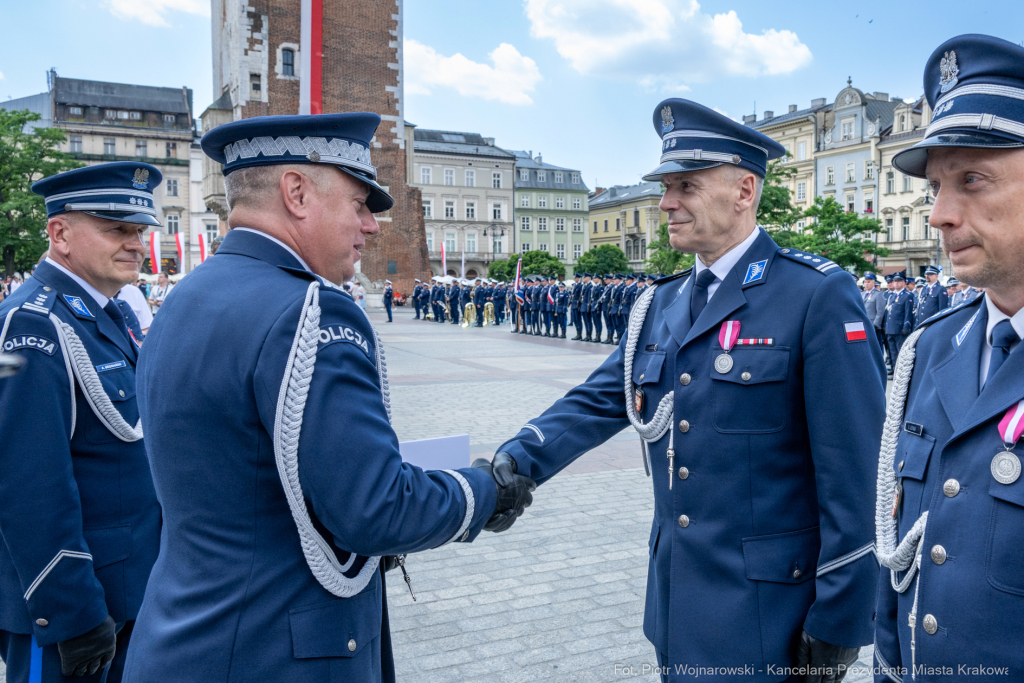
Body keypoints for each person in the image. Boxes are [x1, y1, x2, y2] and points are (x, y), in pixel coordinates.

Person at [478, 99, 884, 682]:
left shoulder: (815, 296)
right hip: (676, 602)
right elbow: (599, 399)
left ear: (745, 191)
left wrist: (842, 620)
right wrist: (519, 458)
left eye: (686, 186)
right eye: (666, 186)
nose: (666, 202)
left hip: (773, 615)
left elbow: (854, 473)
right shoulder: (661, 303)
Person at [127, 113, 535, 683]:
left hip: (184, 638)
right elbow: (375, 508)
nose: (370, 225)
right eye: (359, 203)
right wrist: (482, 491)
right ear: (296, 192)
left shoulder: (187, 296)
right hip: (279, 650)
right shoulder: (310, 312)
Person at [874, 34, 1024, 681]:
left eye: (971, 180)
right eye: (936, 185)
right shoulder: (932, 347)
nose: (937, 214)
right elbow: (899, 560)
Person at [0, 162, 163, 683]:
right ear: (60, 233)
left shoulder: (106, 313)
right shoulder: (34, 325)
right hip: (73, 606)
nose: (136, 243)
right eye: (117, 229)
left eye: (139, 231)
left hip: (127, 587)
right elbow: (27, 484)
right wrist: (69, 612)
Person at [883, 272, 915, 367]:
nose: (896, 283)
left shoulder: (907, 295)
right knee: (893, 352)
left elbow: (908, 313)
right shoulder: (892, 296)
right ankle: (894, 370)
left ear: (904, 283)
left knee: (900, 352)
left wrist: (906, 326)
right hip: (890, 328)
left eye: (899, 281)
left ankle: (900, 371)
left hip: (900, 329)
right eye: (895, 281)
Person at [913, 265, 949, 329]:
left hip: (932, 324)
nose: (927, 276)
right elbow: (919, 307)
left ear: (936, 275)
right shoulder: (923, 289)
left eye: (930, 274)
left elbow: (942, 309)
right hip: (921, 323)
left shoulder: (940, 289)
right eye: (926, 274)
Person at [861, 272, 886, 363]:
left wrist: (876, 324)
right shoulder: (862, 294)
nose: (866, 284)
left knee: (876, 347)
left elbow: (880, 311)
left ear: (873, 283)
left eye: (869, 282)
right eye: (865, 282)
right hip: (863, 326)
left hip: (873, 326)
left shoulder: (878, 294)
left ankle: (879, 363)